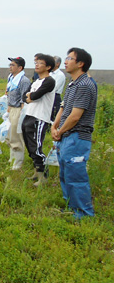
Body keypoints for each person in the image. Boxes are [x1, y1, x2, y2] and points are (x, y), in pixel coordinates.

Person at [52, 48, 97, 218]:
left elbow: (75, 116)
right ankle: (72, 207)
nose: (65, 61)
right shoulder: (73, 84)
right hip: (66, 136)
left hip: (77, 136)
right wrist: (54, 127)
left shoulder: (85, 85)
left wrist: (60, 131)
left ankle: (84, 213)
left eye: (70, 58)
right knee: (66, 173)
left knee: (76, 176)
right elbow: (63, 108)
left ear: (80, 63)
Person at [21, 53, 56, 186]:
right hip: (29, 114)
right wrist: (29, 97)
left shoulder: (50, 81)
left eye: (40, 63)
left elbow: (35, 96)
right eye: (36, 62)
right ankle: (37, 172)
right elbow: (25, 96)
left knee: (36, 147)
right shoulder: (36, 81)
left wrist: (31, 97)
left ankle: (44, 177)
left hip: (40, 117)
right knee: (29, 146)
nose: (37, 65)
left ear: (48, 67)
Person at [5, 57, 31, 170]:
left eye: (13, 65)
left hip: (18, 110)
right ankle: (12, 158)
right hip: (11, 109)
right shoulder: (12, 78)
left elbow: (23, 99)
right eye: (10, 64)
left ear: (20, 68)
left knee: (16, 136)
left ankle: (18, 162)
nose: (10, 67)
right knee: (10, 135)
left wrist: (21, 115)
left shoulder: (23, 80)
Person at [50, 56, 66, 121]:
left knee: (54, 117)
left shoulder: (60, 75)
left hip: (55, 96)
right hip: (49, 96)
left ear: (58, 64)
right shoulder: (50, 73)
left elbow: (55, 88)